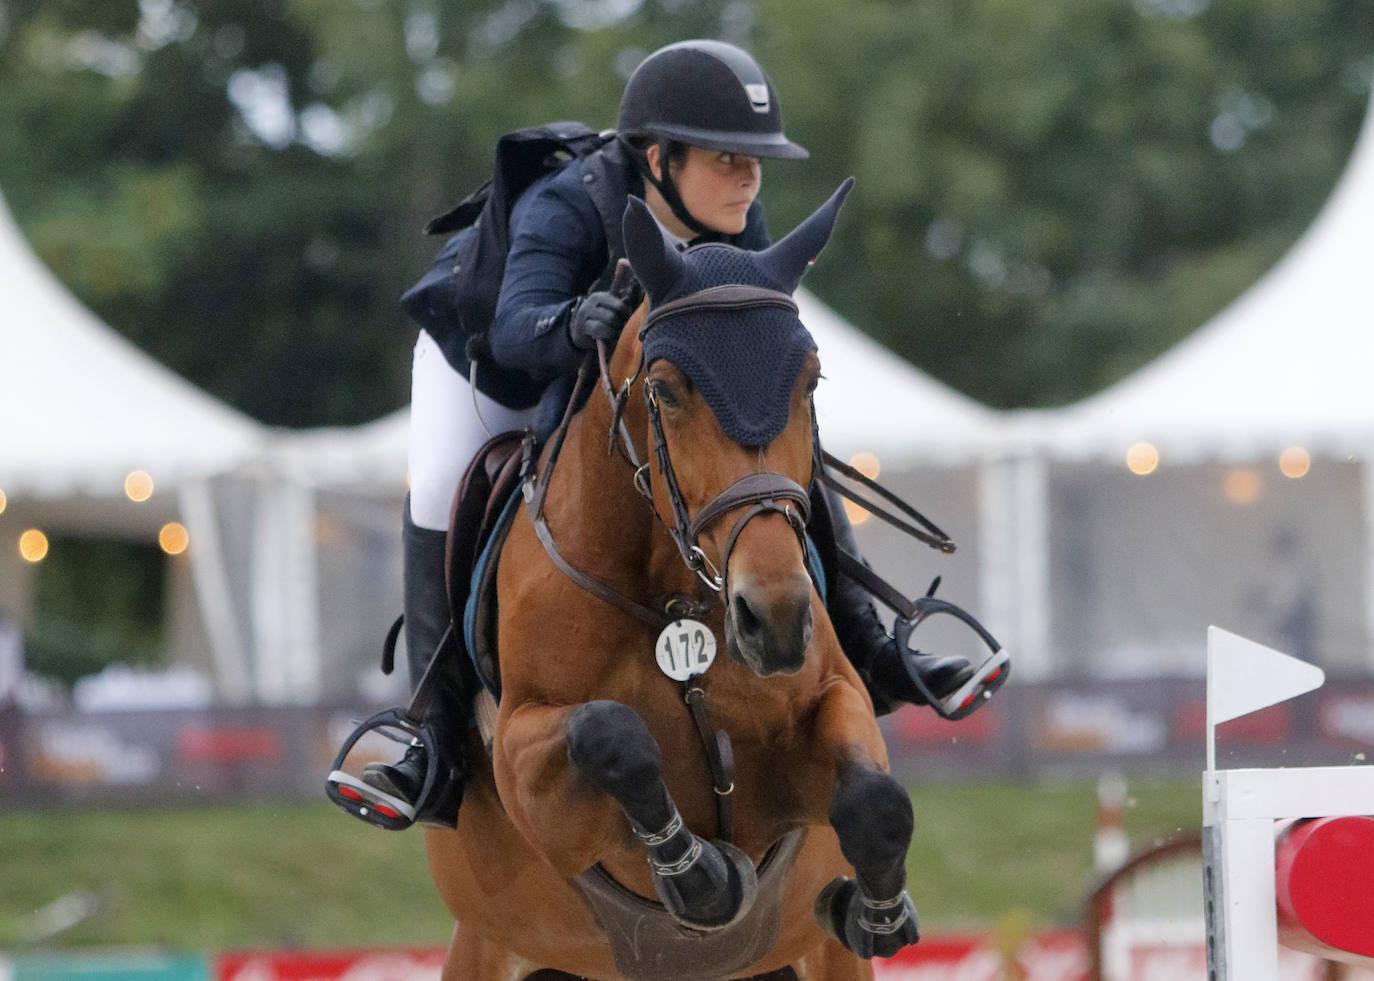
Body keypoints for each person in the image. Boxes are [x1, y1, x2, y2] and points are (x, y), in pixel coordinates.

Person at [356, 40, 975, 827]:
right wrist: (571, 322)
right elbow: (516, 329)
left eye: (756, 163)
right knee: (445, 484)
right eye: (727, 160)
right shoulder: (567, 202)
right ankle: (431, 742)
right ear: (658, 158)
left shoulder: (740, 227)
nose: (748, 180)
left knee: (777, 459)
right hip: (491, 364)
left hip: (632, 381)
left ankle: (875, 650)